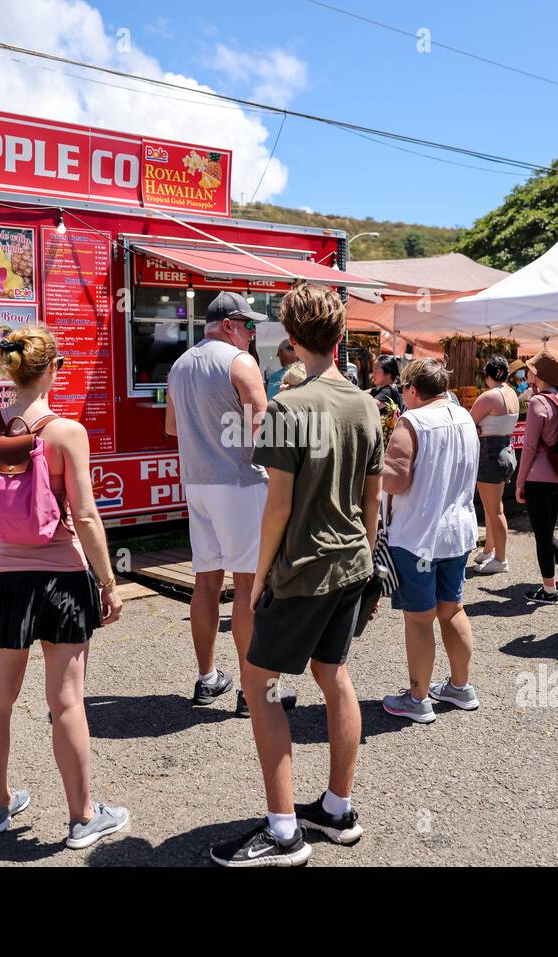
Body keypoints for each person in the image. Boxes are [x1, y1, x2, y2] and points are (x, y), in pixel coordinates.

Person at [209, 282, 383, 868]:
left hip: (304, 568)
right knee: (334, 675)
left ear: (290, 337)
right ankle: (337, 808)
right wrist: (369, 562)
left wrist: (258, 579)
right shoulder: (367, 405)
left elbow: (277, 508)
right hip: (352, 562)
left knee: (258, 685)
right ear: (339, 336)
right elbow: (372, 502)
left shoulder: (288, 408)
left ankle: (284, 831)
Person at [0, 325, 128, 846]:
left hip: (8, 581)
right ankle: (83, 818)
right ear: (54, 369)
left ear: (12, 371)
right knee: (66, 701)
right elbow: (84, 514)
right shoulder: (66, 433)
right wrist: (107, 582)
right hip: (60, 576)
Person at [166, 290, 293, 718]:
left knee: (205, 582)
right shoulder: (241, 362)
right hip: (238, 482)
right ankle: (251, 689)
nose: (254, 334)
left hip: (197, 483)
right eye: (250, 325)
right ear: (229, 325)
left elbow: (170, 427)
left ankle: (207, 678)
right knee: (247, 589)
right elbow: (263, 431)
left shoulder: (180, 364)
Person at [379, 359, 480, 723]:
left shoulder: (413, 421)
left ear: (411, 390)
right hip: (459, 529)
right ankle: (459, 686)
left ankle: (418, 697)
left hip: (419, 533)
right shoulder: (464, 416)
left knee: (418, 618)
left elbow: (395, 481)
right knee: (452, 607)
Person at [516, 348, 558, 605]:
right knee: (547, 532)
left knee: (542, 536)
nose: (529, 373)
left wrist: (520, 482)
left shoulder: (537, 402)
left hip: (538, 478)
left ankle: (548, 589)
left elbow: (530, 446)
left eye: (532, 369)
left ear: (539, 373)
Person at [468, 355, 519, 575]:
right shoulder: (512, 393)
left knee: (495, 509)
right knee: (493, 507)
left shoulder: (489, 396)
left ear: (488, 375)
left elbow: (468, 422)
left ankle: (501, 558)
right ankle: (490, 550)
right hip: (506, 449)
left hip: (491, 452)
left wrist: (478, 429)